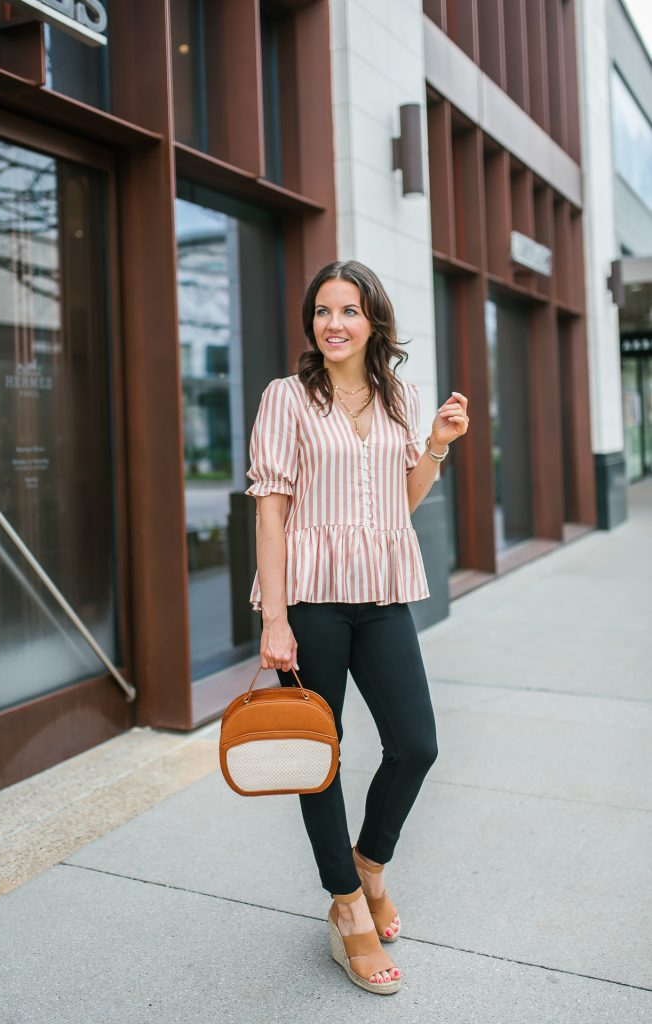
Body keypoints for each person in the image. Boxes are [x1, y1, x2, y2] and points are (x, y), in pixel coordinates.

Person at [244, 259, 469, 995]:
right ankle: (346, 909)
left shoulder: (398, 395)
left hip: (380, 593)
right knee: (322, 754)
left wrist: (436, 441)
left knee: (416, 744)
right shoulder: (287, 398)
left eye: (348, 311)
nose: (333, 324)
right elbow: (271, 507)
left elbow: (394, 507)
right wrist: (275, 617)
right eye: (322, 311)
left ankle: (369, 866)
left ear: (373, 321)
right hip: (309, 598)